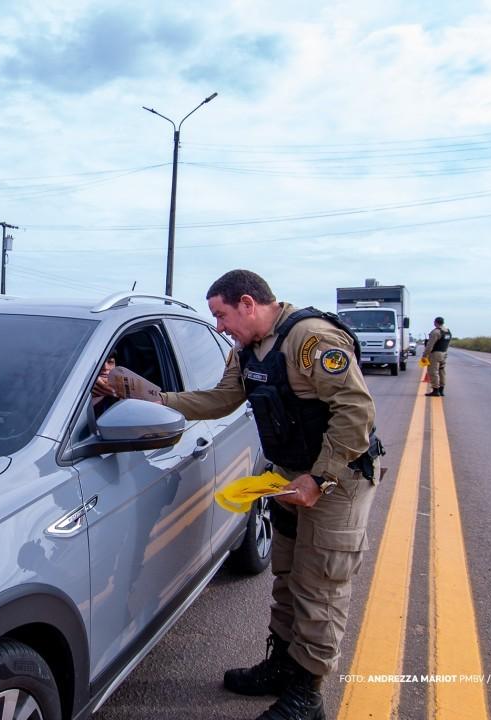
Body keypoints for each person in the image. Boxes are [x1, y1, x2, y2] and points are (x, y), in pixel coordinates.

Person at [136, 269, 382, 720]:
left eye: (222, 314)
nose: (220, 327)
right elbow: (219, 401)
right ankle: (283, 668)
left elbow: (356, 413)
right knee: (288, 577)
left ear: (248, 303)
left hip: (336, 481)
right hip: (291, 477)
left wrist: (318, 479)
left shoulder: (311, 341)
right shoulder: (249, 349)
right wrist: (153, 400)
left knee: (320, 588)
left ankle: (307, 696)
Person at [422, 316, 451, 397]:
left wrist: (424, 355)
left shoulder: (436, 332)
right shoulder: (447, 331)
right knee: (442, 371)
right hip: (444, 353)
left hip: (435, 354)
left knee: (433, 371)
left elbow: (430, 346)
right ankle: (441, 390)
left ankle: (435, 390)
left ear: (435, 322)